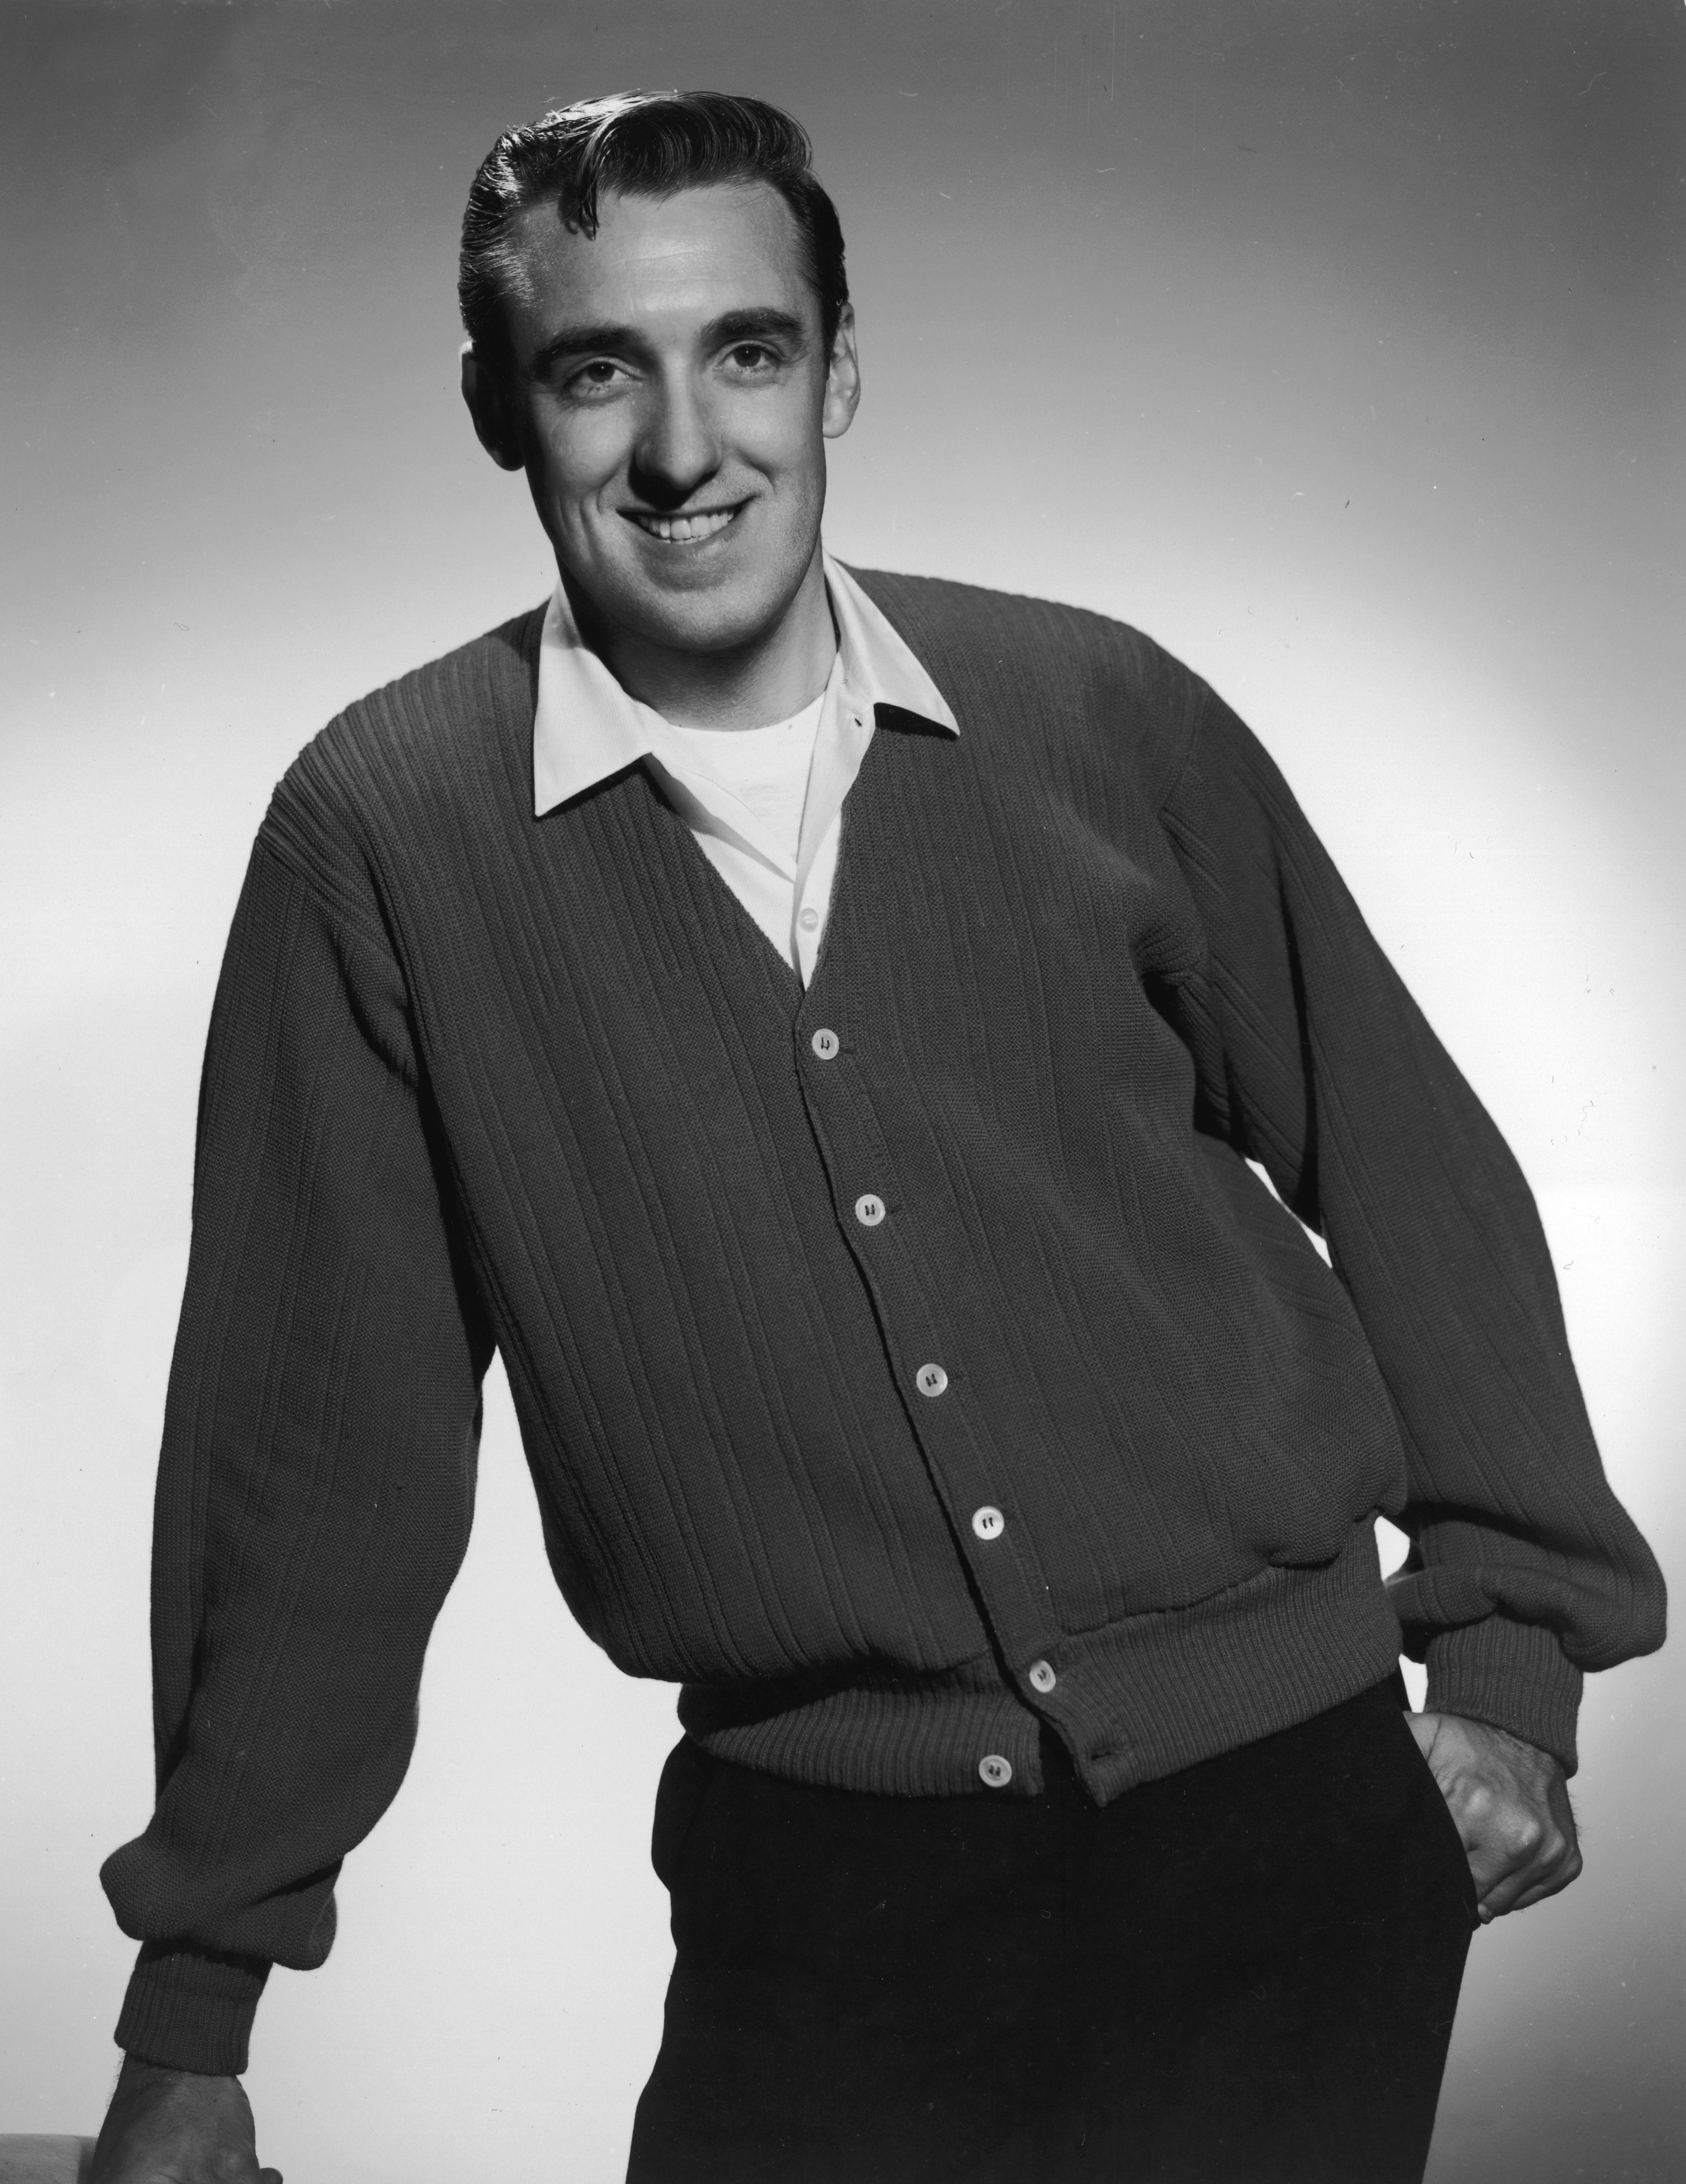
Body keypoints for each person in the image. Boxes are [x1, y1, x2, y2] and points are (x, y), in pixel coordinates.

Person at [90, 91, 1664, 2184]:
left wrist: (1507, 1649)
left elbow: (1404, 1158)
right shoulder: (381, 839)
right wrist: (200, 2009)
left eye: (744, 352)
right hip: (824, 1890)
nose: (682, 447)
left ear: (836, 370)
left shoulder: (1098, 713)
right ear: (497, 409)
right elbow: (319, 1452)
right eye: (594, 372)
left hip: (1292, 1830)